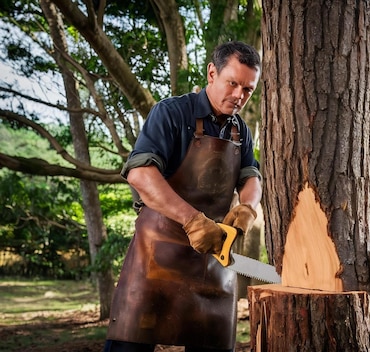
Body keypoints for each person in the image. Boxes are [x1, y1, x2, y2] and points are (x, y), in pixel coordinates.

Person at [104, 41, 262, 352]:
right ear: (212, 73)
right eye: (233, 83)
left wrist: (247, 208)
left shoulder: (240, 132)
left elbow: (251, 177)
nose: (239, 96)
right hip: (156, 262)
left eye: (248, 89)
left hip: (213, 262)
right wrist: (192, 220)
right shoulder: (171, 113)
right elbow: (141, 174)